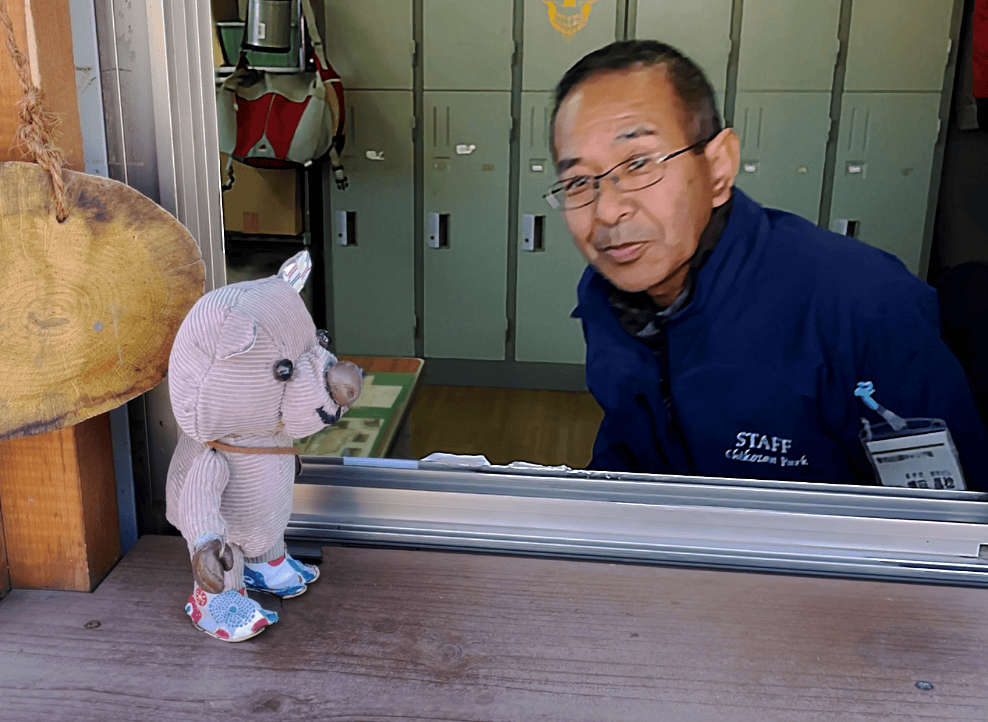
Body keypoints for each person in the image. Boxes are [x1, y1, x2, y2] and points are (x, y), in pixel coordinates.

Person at [547, 40, 988, 489]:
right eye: (578, 181)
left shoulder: (863, 305)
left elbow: (947, 521)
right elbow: (627, 448)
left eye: (639, 163)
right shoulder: (605, 296)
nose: (606, 211)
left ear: (719, 166)